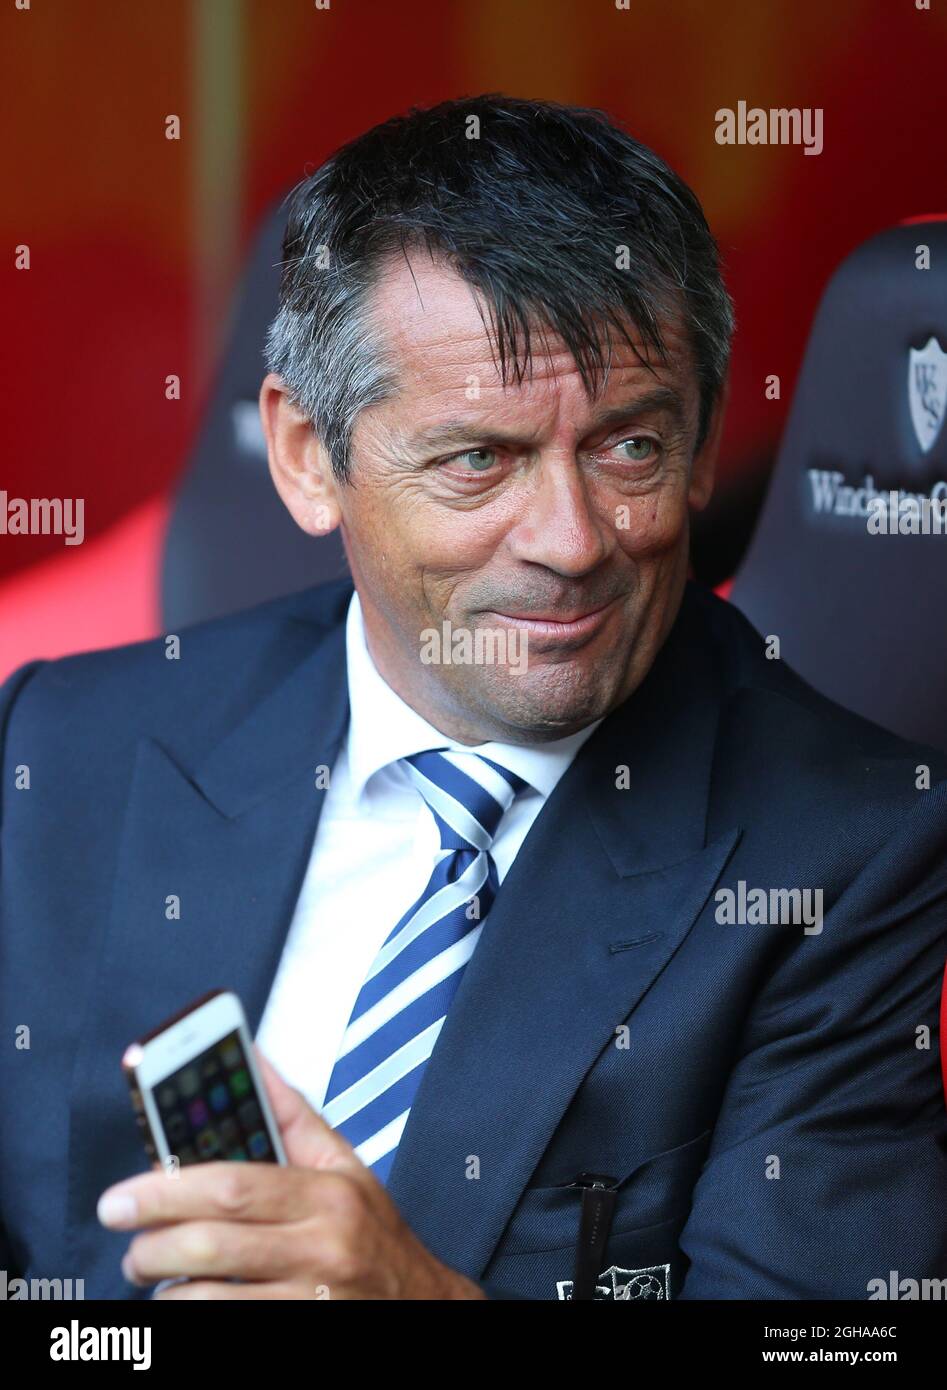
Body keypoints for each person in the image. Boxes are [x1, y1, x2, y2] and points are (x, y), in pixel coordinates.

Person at [1, 95, 945, 1301]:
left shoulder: (847, 849)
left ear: (704, 443)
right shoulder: (65, 746)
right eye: (476, 460)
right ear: (305, 456)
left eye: (628, 449)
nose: (567, 541)